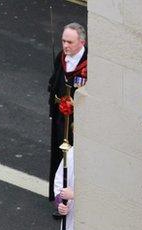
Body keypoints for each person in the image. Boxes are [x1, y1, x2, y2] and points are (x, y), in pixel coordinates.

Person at [47, 22, 87, 201]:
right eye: (64, 41)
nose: (65, 46)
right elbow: (53, 83)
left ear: (82, 43)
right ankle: (58, 196)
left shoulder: (89, 66)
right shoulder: (60, 58)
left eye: (70, 42)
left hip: (78, 124)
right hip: (60, 118)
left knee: (74, 159)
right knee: (58, 155)